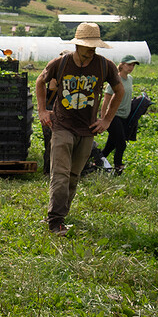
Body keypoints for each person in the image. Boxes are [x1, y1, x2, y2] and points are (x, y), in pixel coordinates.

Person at [34, 22, 124, 236]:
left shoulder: (105, 65)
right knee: (60, 174)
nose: (90, 52)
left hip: (87, 129)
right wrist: (42, 111)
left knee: (74, 176)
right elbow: (40, 81)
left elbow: (119, 90)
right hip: (62, 126)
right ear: (77, 46)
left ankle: (60, 217)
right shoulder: (61, 63)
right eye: (87, 48)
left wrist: (107, 120)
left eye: (94, 48)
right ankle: (55, 222)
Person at [98, 54, 140, 174]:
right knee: (121, 144)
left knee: (111, 145)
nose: (131, 67)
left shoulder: (130, 79)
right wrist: (103, 118)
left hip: (124, 117)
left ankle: (97, 161)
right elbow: (106, 99)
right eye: (129, 64)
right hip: (113, 116)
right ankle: (118, 169)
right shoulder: (115, 79)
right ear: (122, 65)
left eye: (133, 65)